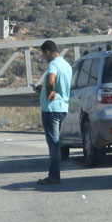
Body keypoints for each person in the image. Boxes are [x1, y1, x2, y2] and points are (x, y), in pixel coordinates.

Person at [34, 40, 72, 185]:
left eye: (44, 54)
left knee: (53, 143)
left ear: (47, 51)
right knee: (56, 141)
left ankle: (54, 175)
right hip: (62, 107)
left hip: (51, 109)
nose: (44, 57)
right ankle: (54, 174)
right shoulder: (67, 65)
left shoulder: (53, 64)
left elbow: (51, 81)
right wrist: (43, 89)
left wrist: (48, 93)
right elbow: (60, 85)